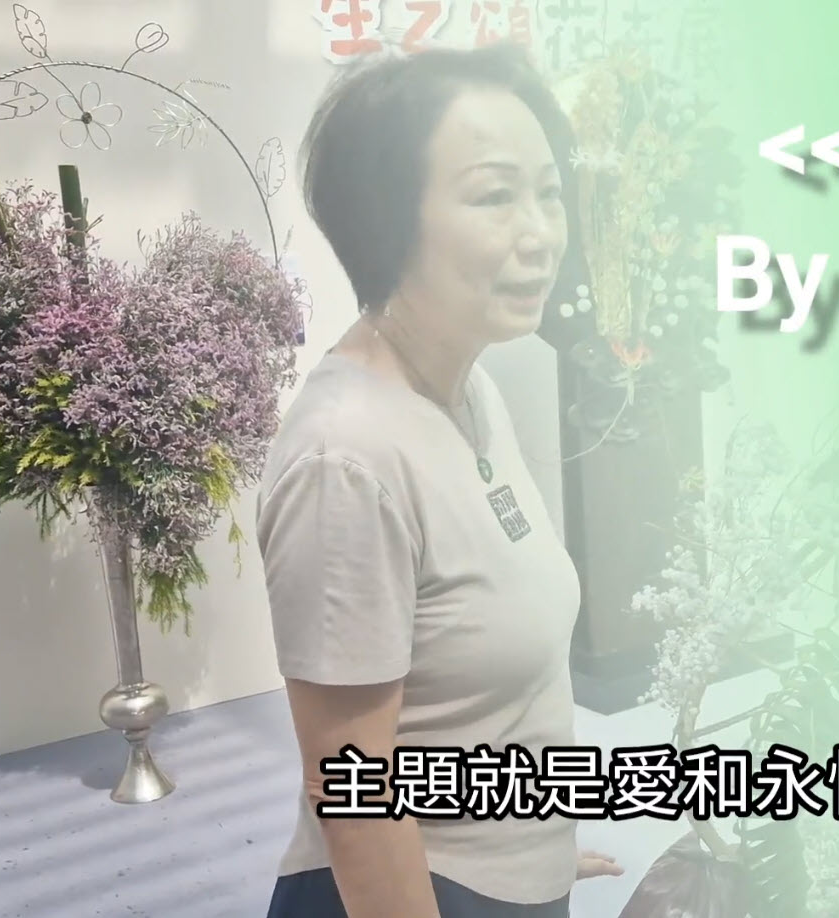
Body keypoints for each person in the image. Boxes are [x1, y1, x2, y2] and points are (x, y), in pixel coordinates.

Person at [255, 43, 623, 917]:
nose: (541, 234)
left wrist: (532, 844)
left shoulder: (470, 389)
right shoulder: (347, 459)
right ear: (390, 220)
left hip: (495, 877)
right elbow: (356, 797)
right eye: (495, 196)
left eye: (548, 193)